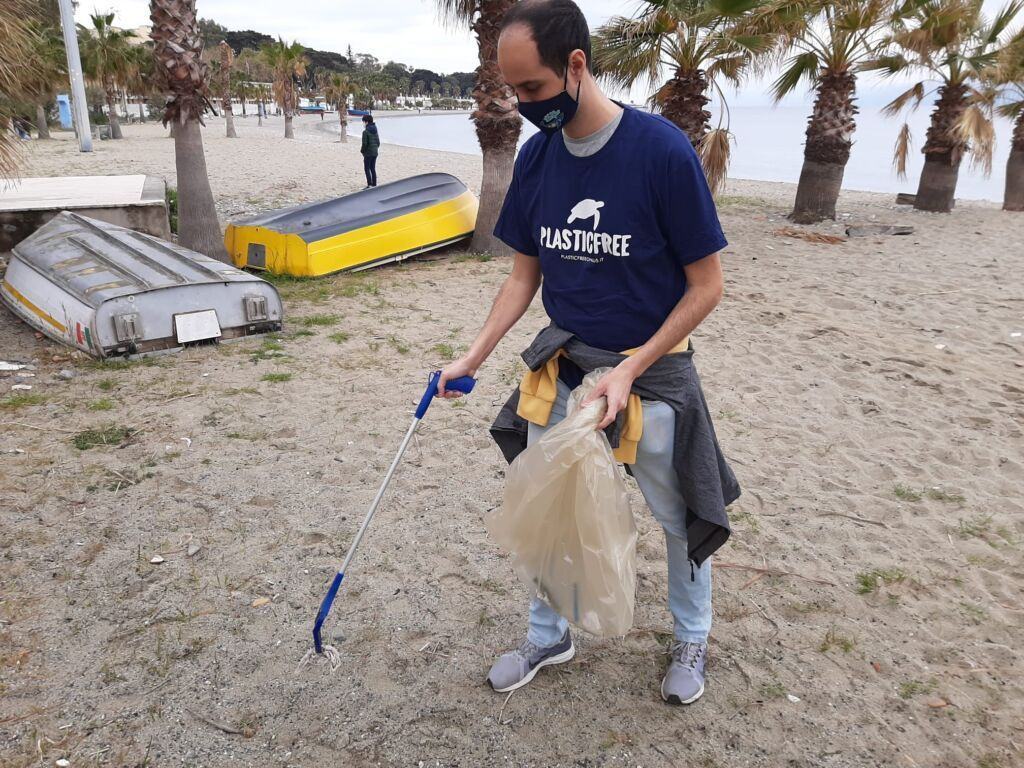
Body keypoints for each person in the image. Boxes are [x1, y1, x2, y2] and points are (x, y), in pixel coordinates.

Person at [437, 0, 739, 705]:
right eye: (514, 90)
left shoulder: (661, 151)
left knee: (678, 516)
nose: (524, 106)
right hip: (566, 366)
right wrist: (471, 358)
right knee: (553, 507)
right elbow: (524, 276)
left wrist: (630, 369)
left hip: (651, 371)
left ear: (576, 64)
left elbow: (707, 286)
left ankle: (691, 636)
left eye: (534, 88)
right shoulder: (538, 156)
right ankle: (549, 635)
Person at [360, 114, 379, 188]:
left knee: (367, 169)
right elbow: (378, 142)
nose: (363, 123)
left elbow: (364, 144)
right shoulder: (375, 130)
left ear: (366, 122)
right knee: (372, 168)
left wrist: (362, 151)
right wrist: (375, 148)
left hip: (368, 153)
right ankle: (374, 184)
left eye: (364, 122)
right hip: (375, 152)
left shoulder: (365, 132)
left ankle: (369, 184)